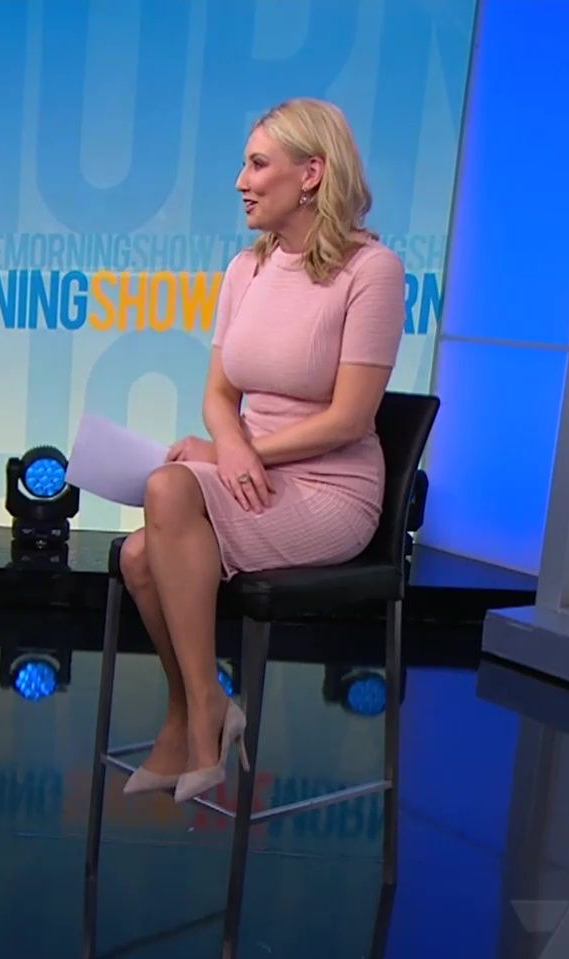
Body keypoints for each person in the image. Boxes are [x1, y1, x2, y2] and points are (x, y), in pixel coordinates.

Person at [116, 98, 405, 804]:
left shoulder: (373, 271)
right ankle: (196, 709)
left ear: (311, 174)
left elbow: (350, 419)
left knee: (167, 491)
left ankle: (200, 716)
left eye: (256, 164)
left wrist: (244, 454)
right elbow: (219, 393)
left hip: (330, 492)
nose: (241, 181)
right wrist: (230, 446)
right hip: (254, 472)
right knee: (137, 555)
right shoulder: (245, 270)